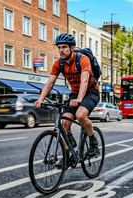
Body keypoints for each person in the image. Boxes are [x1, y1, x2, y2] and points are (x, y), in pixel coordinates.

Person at [34, 33, 100, 168]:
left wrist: (80, 99)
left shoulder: (83, 59)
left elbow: (85, 80)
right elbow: (50, 83)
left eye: (64, 47)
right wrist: (40, 99)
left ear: (72, 47)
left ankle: (93, 142)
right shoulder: (59, 63)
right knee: (64, 122)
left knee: (80, 115)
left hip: (90, 92)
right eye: (59, 47)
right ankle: (69, 155)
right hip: (75, 93)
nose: (61, 50)